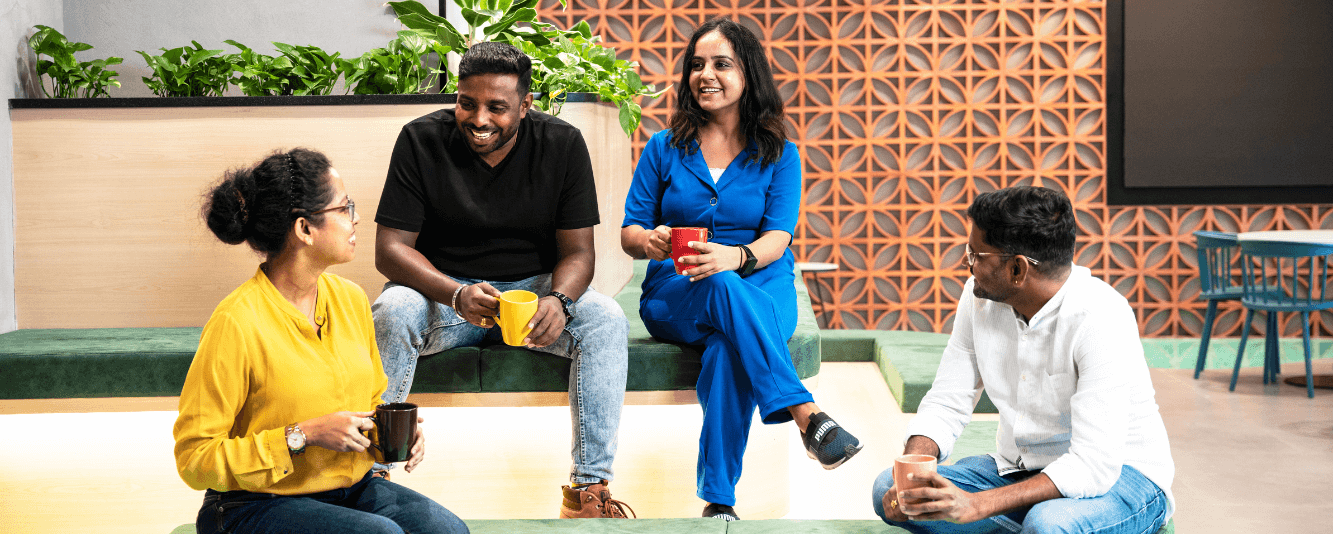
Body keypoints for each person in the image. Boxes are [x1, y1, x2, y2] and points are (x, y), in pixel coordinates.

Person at [371, 42, 633, 519]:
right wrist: (453, 291)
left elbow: (579, 253)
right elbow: (389, 251)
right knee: (392, 309)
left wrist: (559, 298)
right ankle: (371, 476)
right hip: (443, 295)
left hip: (531, 294)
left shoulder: (562, 143)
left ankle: (588, 492)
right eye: (467, 103)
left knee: (606, 319)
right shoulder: (420, 139)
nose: (478, 119)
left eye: (497, 107)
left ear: (525, 105)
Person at [620, 18, 863, 522]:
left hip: (762, 280)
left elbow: (778, 236)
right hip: (678, 289)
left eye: (721, 64)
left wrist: (737, 256)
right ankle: (807, 416)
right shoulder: (664, 147)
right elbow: (630, 231)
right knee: (720, 287)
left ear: (748, 74)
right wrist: (652, 240)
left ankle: (719, 502)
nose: (705, 75)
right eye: (697, 65)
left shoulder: (780, 154)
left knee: (729, 349)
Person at [174, 148, 468, 534]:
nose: (356, 218)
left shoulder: (350, 298)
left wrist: (391, 432)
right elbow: (195, 459)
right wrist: (303, 435)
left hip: (351, 489)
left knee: (449, 532)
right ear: (304, 230)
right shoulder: (237, 322)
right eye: (344, 208)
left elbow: (372, 399)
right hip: (253, 504)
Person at [870, 186, 1175, 534]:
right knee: (890, 490)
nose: (968, 265)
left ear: (1017, 269)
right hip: (1019, 469)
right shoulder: (978, 298)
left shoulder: (1101, 317)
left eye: (975, 256)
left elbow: (1092, 466)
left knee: (1048, 525)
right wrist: (914, 470)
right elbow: (947, 399)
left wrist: (978, 505)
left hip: (1121, 477)